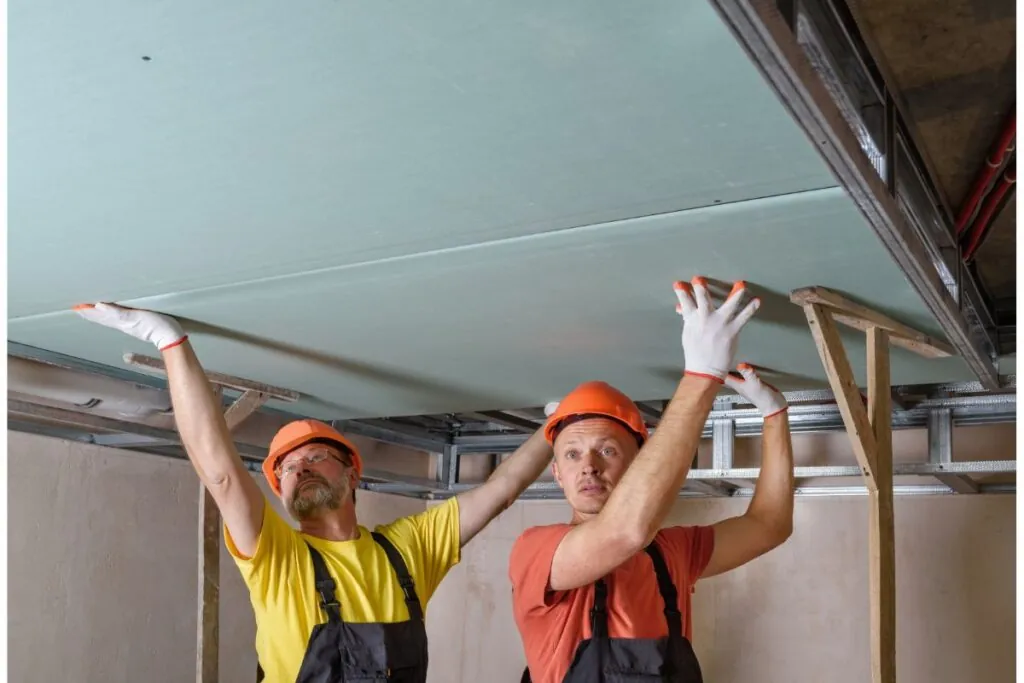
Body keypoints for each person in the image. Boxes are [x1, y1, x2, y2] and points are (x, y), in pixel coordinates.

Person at [73, 302, 554, 683]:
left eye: (314, 457)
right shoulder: (277, 558)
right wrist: (169, 341)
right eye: (285, 468)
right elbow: (219, 472)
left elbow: (502, 489)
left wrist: (559, 426)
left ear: (352, 475)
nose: (298, 469)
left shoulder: (408, 550)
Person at [509, 276, 795, 683]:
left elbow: (769, 526)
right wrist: (702, 374)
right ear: (556, 473)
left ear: (637, 464)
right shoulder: (535, 551)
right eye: (572, 454)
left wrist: (774, 418)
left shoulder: (672, 553)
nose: (588, 466)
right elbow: (624, 532)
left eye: (607, 450)